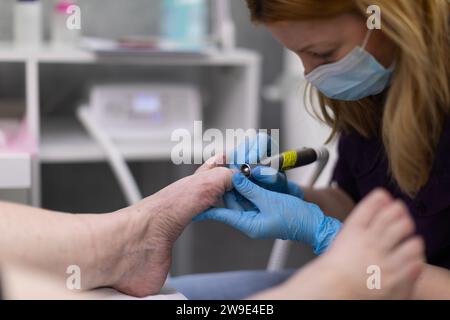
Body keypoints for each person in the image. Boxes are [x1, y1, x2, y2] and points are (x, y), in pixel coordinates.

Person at [184, 0, 450, 299]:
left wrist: (327, 235)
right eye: (299, 55)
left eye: (323, 54)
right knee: (178, 296)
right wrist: (296, 200)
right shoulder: (377, 85)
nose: (311, 74)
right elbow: (358, 202)